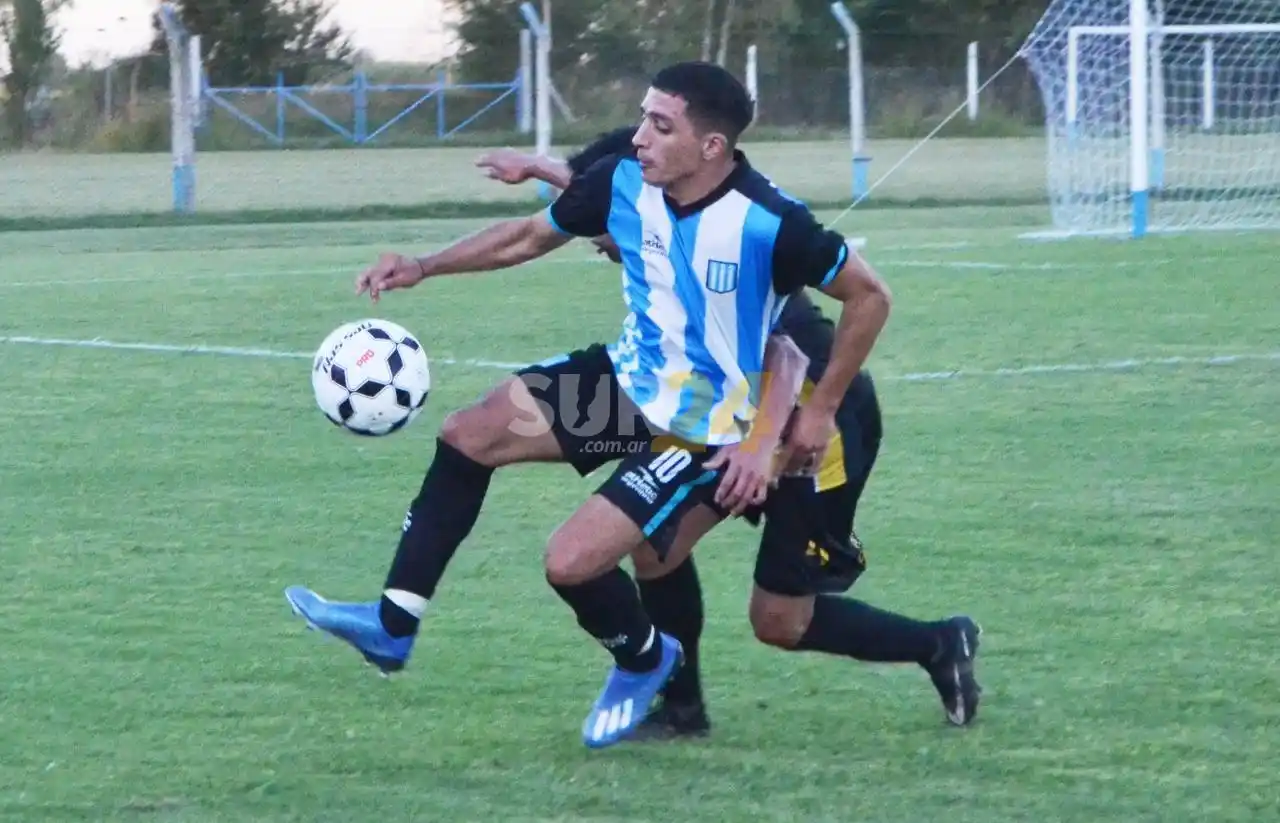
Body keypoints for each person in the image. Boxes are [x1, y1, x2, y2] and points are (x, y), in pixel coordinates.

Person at [284, 61, 893, 749]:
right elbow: (528, 237)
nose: (639, 137)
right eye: (643, 118)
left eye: (660, 126)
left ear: (711, 148)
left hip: (697, 427)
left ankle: (646, 657)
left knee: (570, 563)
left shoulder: (770, 223)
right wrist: (423, 265)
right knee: (468, 434)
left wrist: (814, 414)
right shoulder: (622, 181)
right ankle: (394, 623)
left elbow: (868, 298)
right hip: (623, 384)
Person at [478, 134, 983, 736]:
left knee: (778, 622)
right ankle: (683, 709)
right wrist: (540, 167)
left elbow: (794, 350)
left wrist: (786, 435)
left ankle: (939, 643)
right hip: (724, 418)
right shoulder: (649, 220)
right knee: (654, 545)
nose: (596, 237)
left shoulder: (716, 235)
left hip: (812, 424)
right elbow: (613, 193)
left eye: (600, 228)